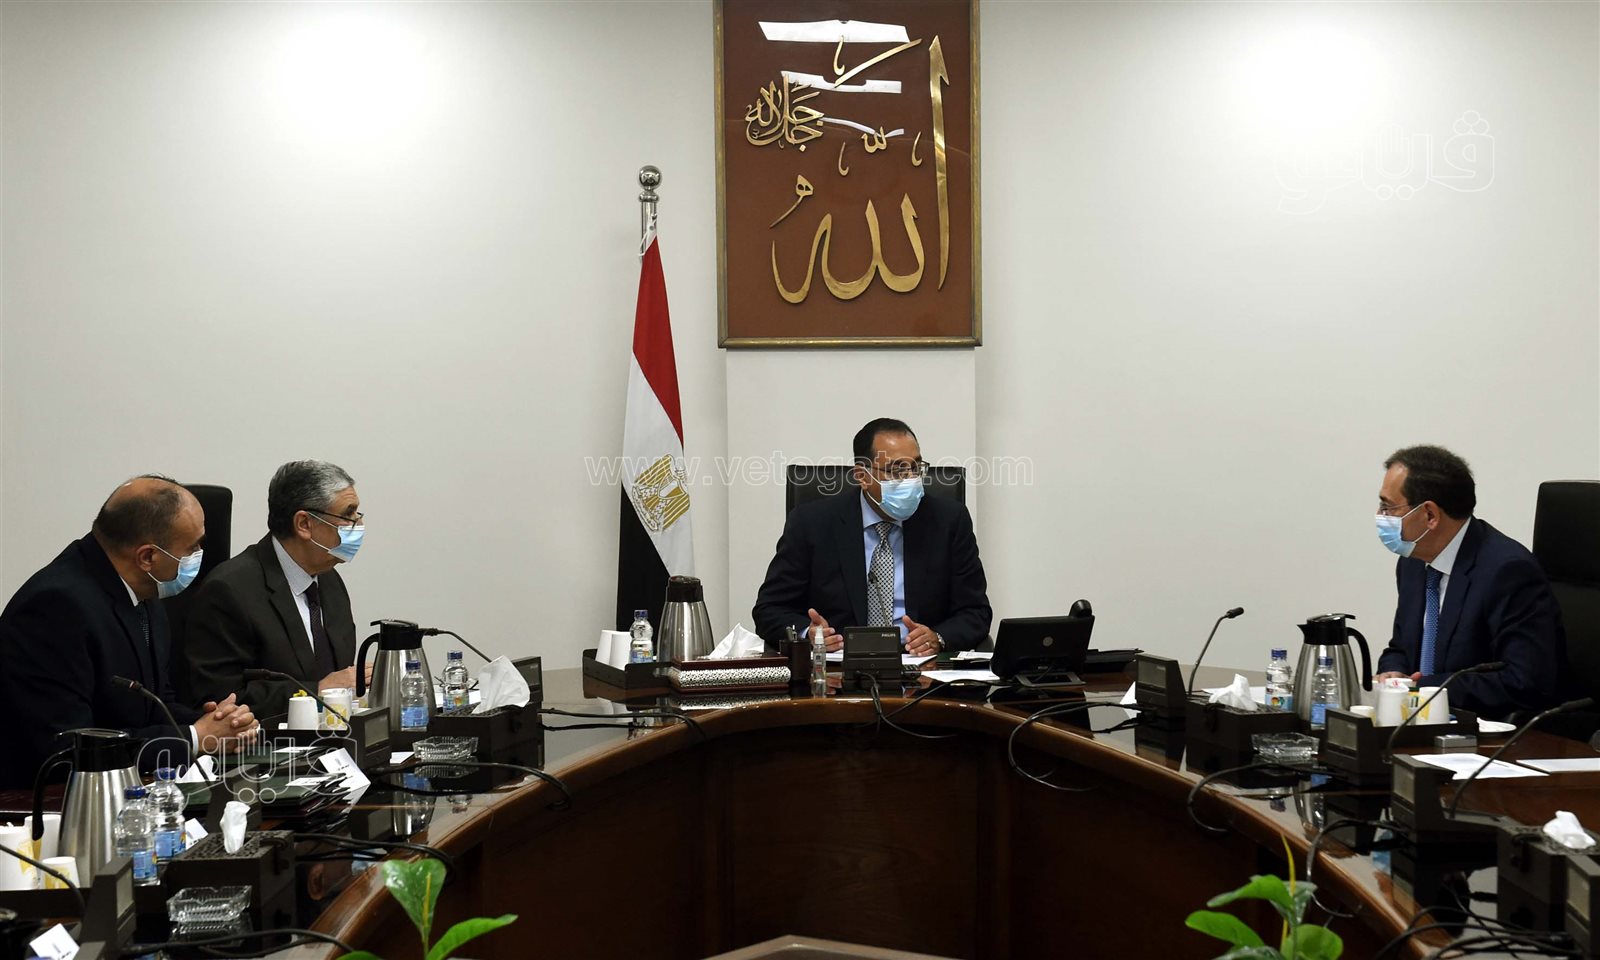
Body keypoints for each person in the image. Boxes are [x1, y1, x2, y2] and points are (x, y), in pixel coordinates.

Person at [0, 476, 257, 788]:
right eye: (193, 547)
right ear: (147, 557)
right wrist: (193, 737)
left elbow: (153, 705)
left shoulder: (144, 592)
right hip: (47, 802)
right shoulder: (55, 607)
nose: (200, 555)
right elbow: (68, 748)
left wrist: (218, 724)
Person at [753, 418, 992, 655]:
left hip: (920, 664)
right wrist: (809, 634)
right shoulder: (812, 524)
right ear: (862, 476)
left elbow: (975, 612)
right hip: (840, 665)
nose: (911, 479)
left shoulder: (948, 521)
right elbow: (770, 609)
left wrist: (938, 638)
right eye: (897, 470)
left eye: (916, 467)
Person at [1372, 445, 1566, 720]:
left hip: (1489, 730)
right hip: (1422, 724)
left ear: (1429, 515)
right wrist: (1394, 672)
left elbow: (1525, 681)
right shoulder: (1413, 562)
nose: (1381, 516)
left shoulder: (1507, 571)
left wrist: (1423, 689)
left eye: (1388, 507)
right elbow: (1402, 647)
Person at [183, 460, 368, 722]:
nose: (358, 523)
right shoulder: (228, 591)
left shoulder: (329, 579)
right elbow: (221, 698)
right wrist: (317, 691)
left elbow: (338, 676)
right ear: (304, 524)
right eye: (348, 515)